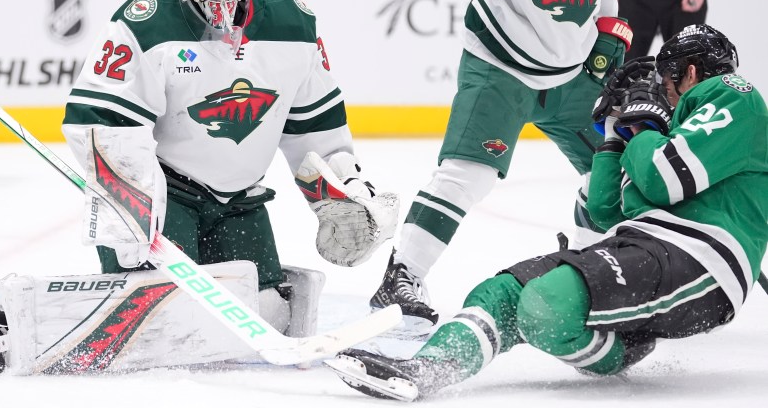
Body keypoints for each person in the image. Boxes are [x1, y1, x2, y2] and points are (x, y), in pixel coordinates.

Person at [0, 0, 400, 376]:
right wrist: (131, 200)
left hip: (239, 199)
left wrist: (340, 193)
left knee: (269, 309)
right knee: (159, 311)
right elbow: (101, 118)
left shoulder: (293, 23)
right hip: (166, 194)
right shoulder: (147, 21)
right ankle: (11, 332)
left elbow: (314, 126)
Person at [327, 24, 767, 401]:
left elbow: (661, 179)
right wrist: (616, 132)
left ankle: (624, 343)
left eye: (666, 84)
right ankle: (426, 370)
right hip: (650, 247)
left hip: (703, 260)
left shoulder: (734, 95)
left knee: (546, 305)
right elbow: (606, 209)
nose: (663, 95)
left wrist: (646, 128)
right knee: (500, 292)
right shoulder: (681, 132)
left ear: (690, 73)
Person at [369, 0, 630, 328]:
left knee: (611, 174)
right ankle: (401, 276)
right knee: (467, 176)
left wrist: (609, 36)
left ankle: (595, 269)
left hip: (573, 75)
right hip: (500, 69)